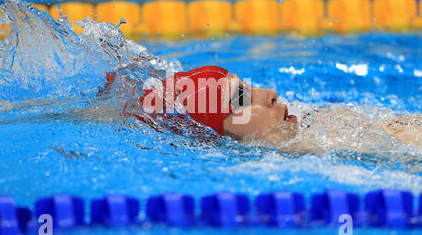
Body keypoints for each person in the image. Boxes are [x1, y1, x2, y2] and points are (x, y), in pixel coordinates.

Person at [101, 65, 421, 153]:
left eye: (249, 88)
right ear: (213, 132)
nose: (272, 93)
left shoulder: (323, 124)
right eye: (241, 99)